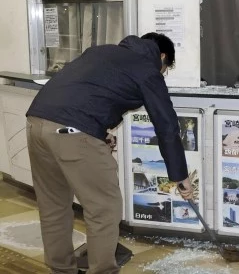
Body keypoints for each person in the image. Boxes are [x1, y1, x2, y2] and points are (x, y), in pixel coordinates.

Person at [26, 33, 194, 274]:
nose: (163, 73)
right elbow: (166, 126)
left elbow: (85, 94)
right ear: (162, 56)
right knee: (104, 209)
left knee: (54, 206)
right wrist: (180, 175)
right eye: (165, 69)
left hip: (36, 124)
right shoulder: (148, 69)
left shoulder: (99, 52)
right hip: (72, 133)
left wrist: (97, 132)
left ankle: (60, 270)